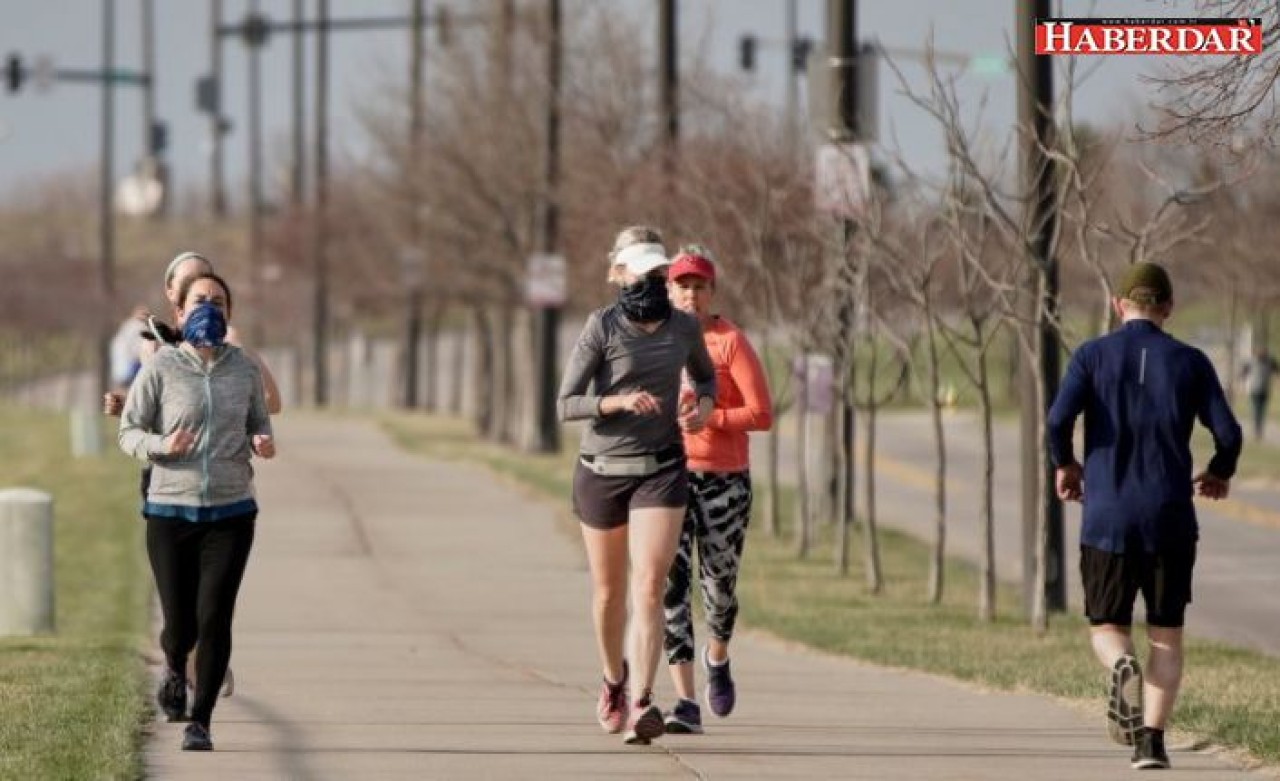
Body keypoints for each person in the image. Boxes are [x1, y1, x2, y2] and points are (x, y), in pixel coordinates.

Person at [1046, 262, 1241, 770]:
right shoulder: (1191, 362)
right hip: (1169, 520)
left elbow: (1057, 419)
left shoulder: (1091, 356)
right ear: (1168, 308)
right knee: (1166, 633)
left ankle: (1120, 664)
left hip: (1106, 518)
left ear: (1118, 305)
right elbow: (1230, 434)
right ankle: (1151, 743)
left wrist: (1066, 463)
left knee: (1107, 626)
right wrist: (1219, 470)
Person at [556, 226, 717, 746]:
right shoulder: (601, 327)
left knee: (649, 585)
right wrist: (616, 402)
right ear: (618, 274)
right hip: (602, 471)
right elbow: (566, 403)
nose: (650, 281)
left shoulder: (684, 328)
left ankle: (644, 703)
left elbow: (706, 378)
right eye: (640, 273)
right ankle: (613, 682)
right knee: (609, 594)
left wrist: (703, 407)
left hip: (662, 468)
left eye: (657, 273)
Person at [119, 271, 275, 752]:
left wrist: (262, 441)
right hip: (170, 511)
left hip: (231, 513)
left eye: (220, 302)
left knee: (214, 620)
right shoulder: (162, 368)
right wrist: (164, 444)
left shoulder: (243, 369)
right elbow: (129, 433)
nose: (211, 307)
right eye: (200, 300)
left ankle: (201, 720)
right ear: (180, 313)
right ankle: (172, 665)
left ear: (230, 314)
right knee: (180, 627)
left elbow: (259, 423)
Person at [660, 246, 773, 734]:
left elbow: (762, 413)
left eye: (699, 286)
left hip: (725, 480)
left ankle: (718, 656)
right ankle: (685, 703)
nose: (691, 294)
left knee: (719, 589)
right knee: (672, 588)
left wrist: (714, 416)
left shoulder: (729, 342)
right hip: (669, 477)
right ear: (669, 290)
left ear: (712, 292)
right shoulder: (659, 340)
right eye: (682, 285)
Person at [108, 305, 149, 393]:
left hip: (127, 364)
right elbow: (134, 346)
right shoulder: (136, 326)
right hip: (132, 363)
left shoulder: (128, 326)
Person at [1239, 345, 1277, 440]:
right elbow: (1243, 372)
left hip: (1265, 389)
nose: (1262, 353)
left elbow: (1276, 370)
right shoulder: (1251, 361)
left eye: (1263, 351)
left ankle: (1259, 429)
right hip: (1254, 390)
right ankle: (1257, 430)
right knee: (1256, 410)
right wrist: (1241, 384)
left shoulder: (1270, 361)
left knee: (1262, 410)